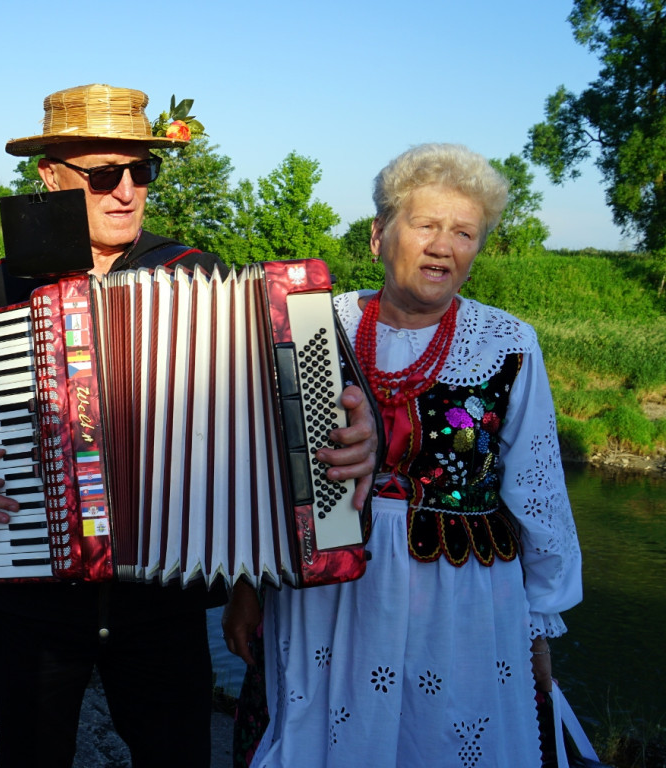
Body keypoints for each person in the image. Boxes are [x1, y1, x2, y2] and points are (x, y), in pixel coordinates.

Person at [0, 83, 378, 767]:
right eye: (104, 174)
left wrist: (354, 431)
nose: (126, 190)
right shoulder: (2, 287)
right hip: (36, 606)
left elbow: (267, 442)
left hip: (164, 605)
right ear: (50, 176)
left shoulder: (198, 277)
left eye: (141, 170)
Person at [224, 143, 583, 767]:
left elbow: (538, 487)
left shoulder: (508, 342)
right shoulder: (311, 321)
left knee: (438, 741)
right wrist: (249, 586)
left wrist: (539, 626)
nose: (444, 246)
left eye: (464, 232)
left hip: (458, 595)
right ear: (378, 237)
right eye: (426, 225)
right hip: (325, 590)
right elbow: (263, 469)